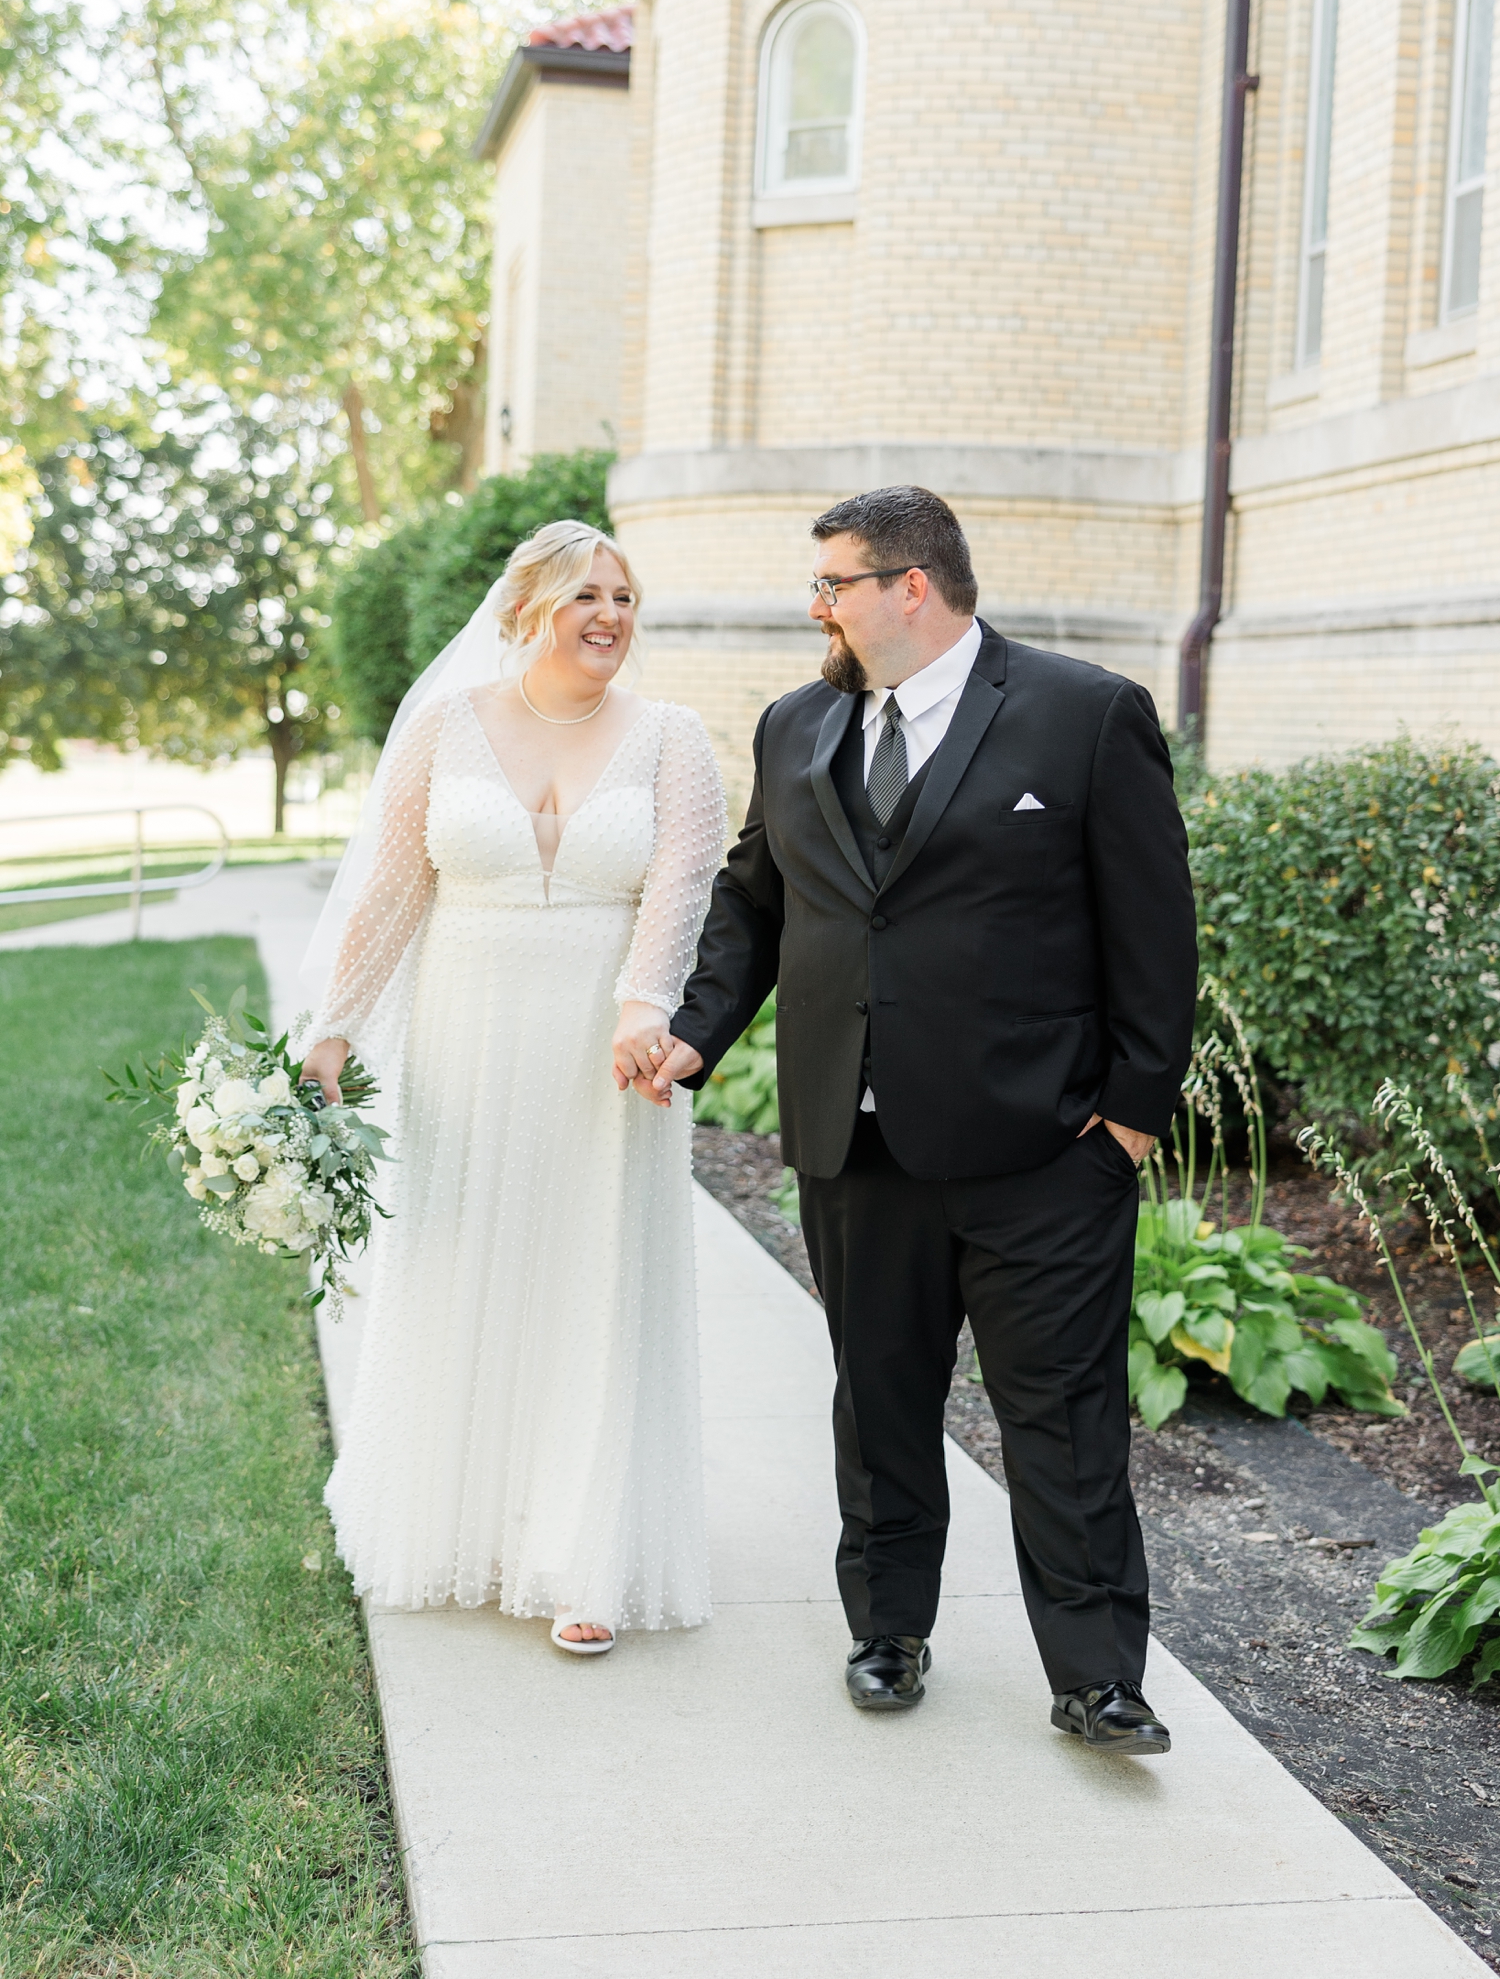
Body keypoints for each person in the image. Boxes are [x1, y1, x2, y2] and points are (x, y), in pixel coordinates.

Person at [640, 487, 1197, 1748]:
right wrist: (693, 1036)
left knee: (1061, 1421)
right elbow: (753, 909)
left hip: (1043, 1154)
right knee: (878, 1401)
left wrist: (1129, 1123)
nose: (818, 607)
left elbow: (1157, 937)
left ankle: (1100, 1677)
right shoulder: (796, 726)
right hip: (856, 1146)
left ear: (911, 586)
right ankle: (887, 1632)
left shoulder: (1083, 716)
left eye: (834, 583)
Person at [300, 521, 726, 1655]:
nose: (613, 616)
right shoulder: (446, 727)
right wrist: (333, 1030)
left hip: (600, 1047)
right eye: (590, 594)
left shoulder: (673, 739)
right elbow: (393, 888)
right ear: (526, 606)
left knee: (591, 1272)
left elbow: (682, 887)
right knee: (465, 1260)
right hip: (466, 1029)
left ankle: (580, 1554)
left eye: (628, 598)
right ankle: (460, 1523)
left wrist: (647, 1004)